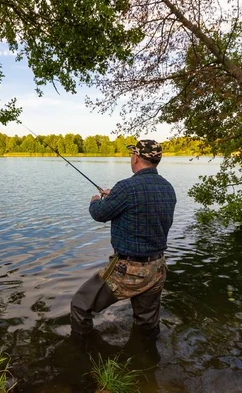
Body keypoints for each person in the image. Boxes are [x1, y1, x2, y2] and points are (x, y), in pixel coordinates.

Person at [70, 139, 177, 340]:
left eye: (132, 155)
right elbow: (143, 207)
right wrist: (115, 197)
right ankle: (148, 359)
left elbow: (100, 214)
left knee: (80, 305)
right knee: (147, 323)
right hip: (157, 268)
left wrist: (96, 200)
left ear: (136, 157)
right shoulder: (167, 187)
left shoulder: (126, 188)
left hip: (127, 270)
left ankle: (82, 351)